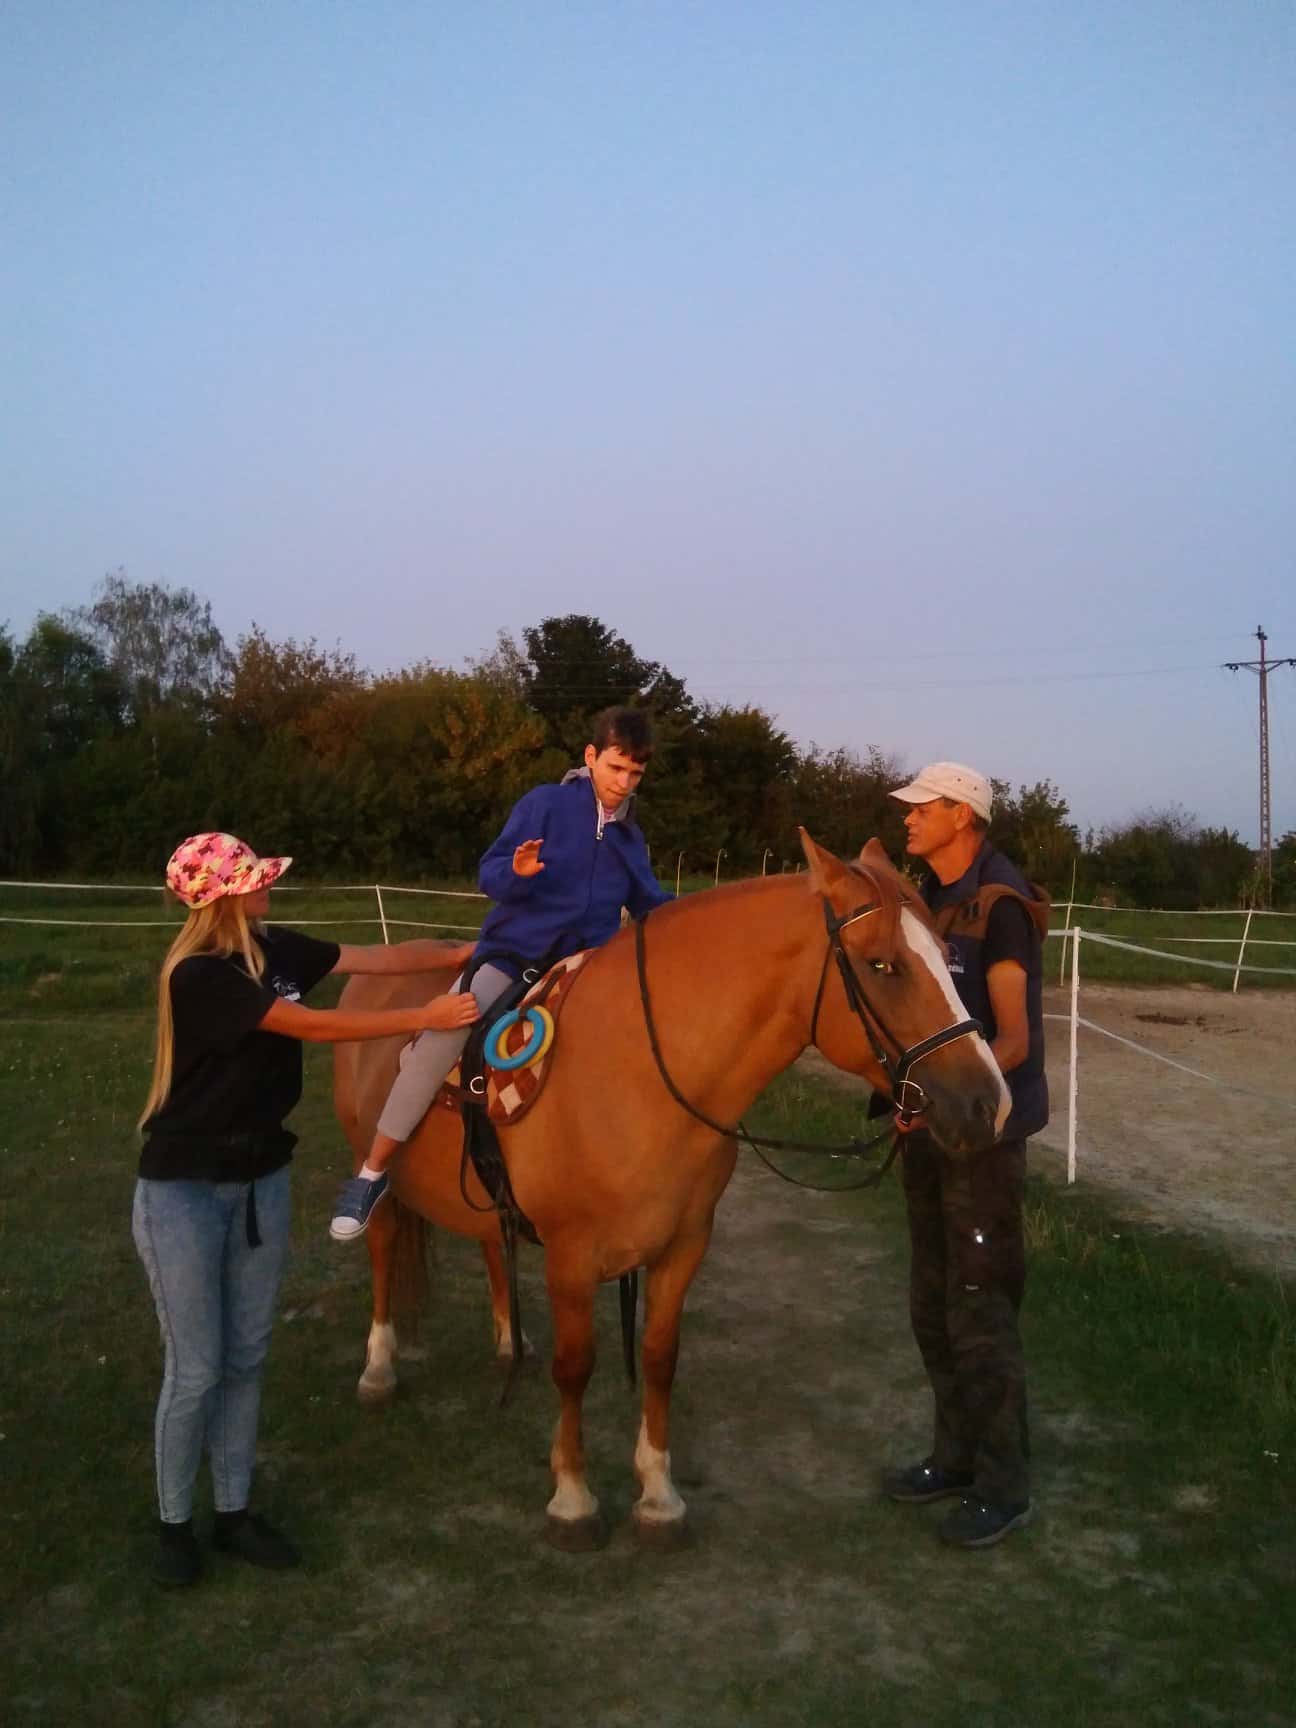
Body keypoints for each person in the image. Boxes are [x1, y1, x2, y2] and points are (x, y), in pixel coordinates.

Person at [135, 831, 479, 1588]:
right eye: (255, 878)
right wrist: (424, 1016)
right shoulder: (200, 975)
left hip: (261, 1179)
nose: (269, 884)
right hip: (185, 1191)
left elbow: (374, 959)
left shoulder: (276, 947)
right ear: (225, 895)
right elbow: (314, 1027)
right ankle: (173, 1524)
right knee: (196, 1368)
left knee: (246, 1357)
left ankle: (233, 1513)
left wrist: (466, 949)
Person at [329, 705, 671, 1241]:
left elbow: (651, 902)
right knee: (446, 1032)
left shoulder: (630, 838)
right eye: (615, 768)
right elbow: (489, 873)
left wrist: (703, 920)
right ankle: (372, 1172)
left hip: (588, 969)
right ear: (590, 756)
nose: (623, 784)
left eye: (635, 774)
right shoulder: (545, 805)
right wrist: (516, 871)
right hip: (516, 957)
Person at [879, 761, 1049, 1549]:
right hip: (933, 1129)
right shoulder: (932, 903)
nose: (909, 818)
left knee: (979, 1310)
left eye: (924, 808)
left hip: (984, 1138)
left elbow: (1012, 1040)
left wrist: (936, 1094)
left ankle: (1003, 1487)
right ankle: (953, 1458)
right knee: (933, 1302)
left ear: (963, 816)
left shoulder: (999, 907)